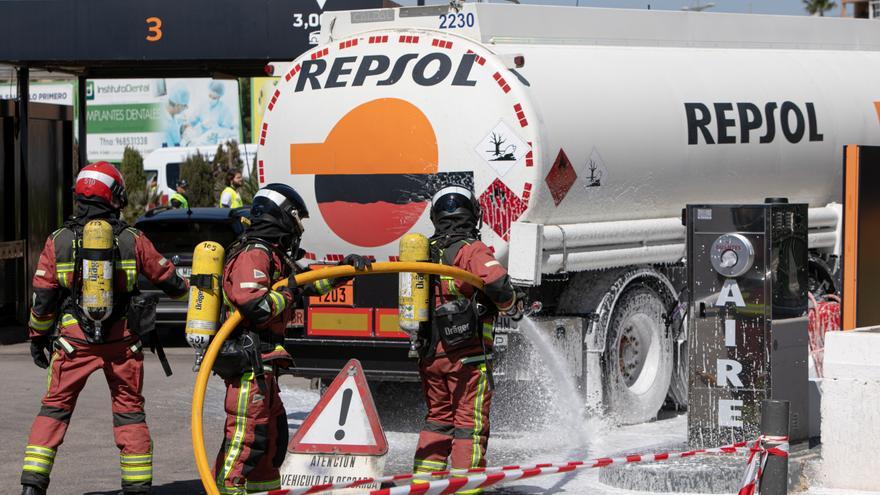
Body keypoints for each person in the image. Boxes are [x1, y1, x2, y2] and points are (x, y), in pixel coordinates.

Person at [20, 162, 190, 495]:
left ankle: (32, 486)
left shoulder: (59, 241)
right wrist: (190, 285)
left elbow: (43, 299)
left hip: (73, 343)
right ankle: (137, 487)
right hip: (122, 342)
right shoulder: (133, 239)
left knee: (54, 409)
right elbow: (171, 283)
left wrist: (37, 338)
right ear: (113, 195)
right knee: (129, 412)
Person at [213, 183, 371, 494]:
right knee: (245, 442)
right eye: (298, 220)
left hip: (265, 367)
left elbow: (309, 283)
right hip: (250, 367)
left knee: (271, 442)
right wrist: (289, 292)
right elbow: (254, 306)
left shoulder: (273, 255)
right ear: (284, 217)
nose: (299, 228)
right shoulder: (255, 253)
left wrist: (345, 270)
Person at [412, 185, 523, 492]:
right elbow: (499, 286)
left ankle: (424, 485)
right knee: (469, 427)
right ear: (472, 214)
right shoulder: (470, 249)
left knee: (437, 418)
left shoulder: (424, 252)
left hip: (430, 355)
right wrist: (512, 306)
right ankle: (466, 489)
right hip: (467, 358)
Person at [188, 81, 237, 145]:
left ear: (219, 97)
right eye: (210, 96)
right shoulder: (202, 106)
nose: (211, 99)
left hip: (215, 143)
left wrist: (215, 129)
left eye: (214, 98)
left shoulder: (225, 110)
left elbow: (227, 131)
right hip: (199, 141)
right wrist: (201, 126)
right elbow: (191, 122)